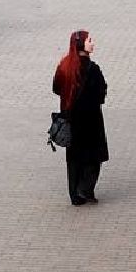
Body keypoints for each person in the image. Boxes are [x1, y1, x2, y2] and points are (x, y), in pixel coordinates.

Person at [52, 30, 109, 205]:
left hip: (71, 119)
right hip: (91, 121)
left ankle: (74, 193)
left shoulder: (64, 65)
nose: (93, 43)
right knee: (93, 156)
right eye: (89, 40)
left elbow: (56, 88)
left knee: (74, 157)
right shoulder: (93, 70)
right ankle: (86, 189)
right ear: (81, 45)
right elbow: (101, 94)